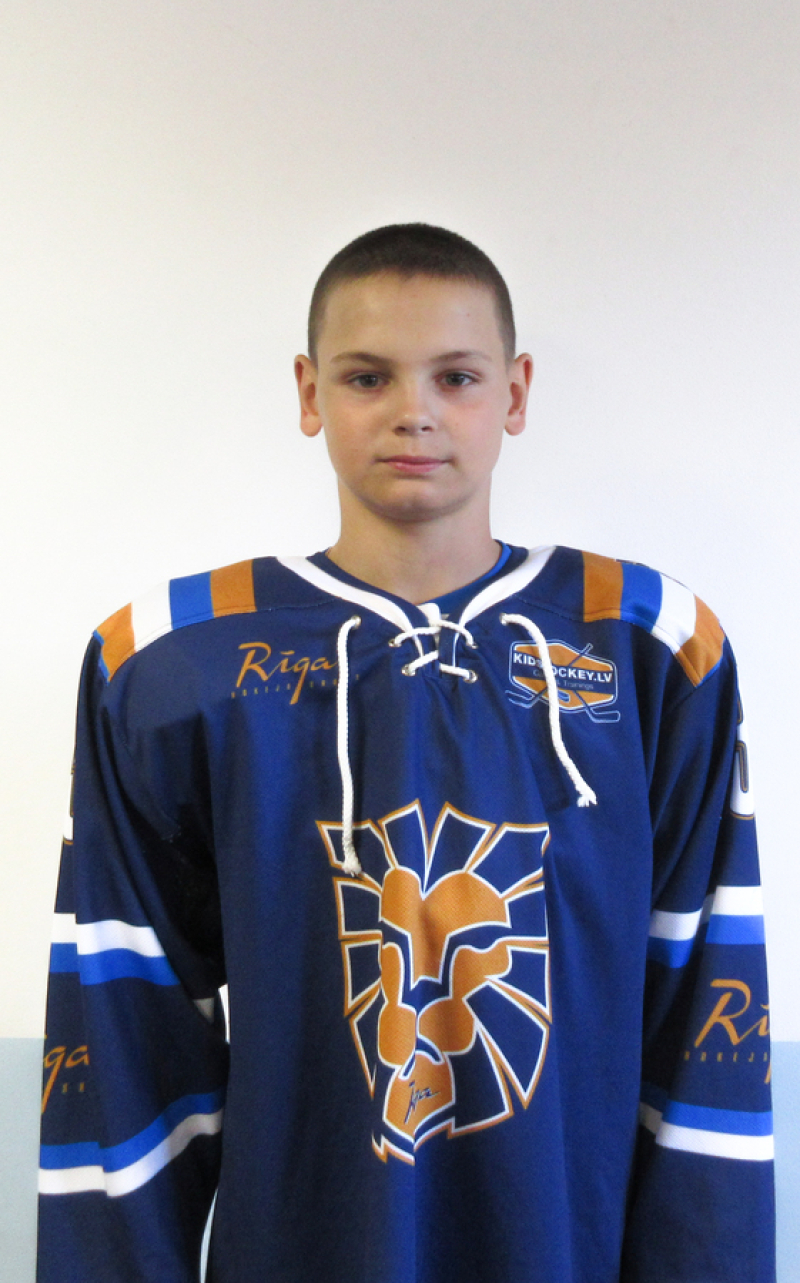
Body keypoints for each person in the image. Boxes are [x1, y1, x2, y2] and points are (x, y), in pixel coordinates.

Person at [38, 224, 775, 1282]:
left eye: (456, 376)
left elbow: (703, 1015)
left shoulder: (652, 647)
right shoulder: (166, 662)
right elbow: (123, 1040)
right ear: (309, 393)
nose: (413, 410)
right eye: (367, 375)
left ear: (515, 393)